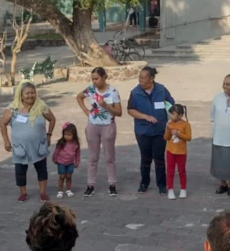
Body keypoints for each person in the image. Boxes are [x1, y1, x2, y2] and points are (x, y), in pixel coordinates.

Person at [0, 81, 57, 203]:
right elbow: (2, 123)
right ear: (21, 95)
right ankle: (23, 192)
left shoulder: (41, 106)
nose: (30, 96)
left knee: (41, 169)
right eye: (27, 93)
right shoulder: (13, 108)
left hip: (39, 145)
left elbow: (52, 119)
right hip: (20, 147)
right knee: (20, 170)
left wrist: (49, 135)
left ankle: (42, 192)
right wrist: (6, 140)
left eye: (33, 93)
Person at [127, 66, 175, 195]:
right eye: (140, 77)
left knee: (159, 157)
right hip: (143, 131)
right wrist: (145, 117)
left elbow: (171, 105)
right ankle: (144, 183)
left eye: (144, 78)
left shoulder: (161, 90)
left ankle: (162, 185)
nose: (141, 80)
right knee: (146, 158)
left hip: (160, 131)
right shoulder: (135, 92)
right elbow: (130, 110)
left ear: (152, 78)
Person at [76, 67, 122, 197]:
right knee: (93, 157)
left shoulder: (113, 91)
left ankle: (112, 184)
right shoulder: (90, 89)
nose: (94, 81)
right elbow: (79, 97)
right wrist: (86, 110)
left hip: (108, 125)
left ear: (104, 77)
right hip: (92, 126)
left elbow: (119, 112)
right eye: (92, 79)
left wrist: (106, 106)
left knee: (109, 157)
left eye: (97, 78)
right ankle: (90, 184)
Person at [164, 103, 192, 200]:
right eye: (170, 114)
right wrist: (168, 129)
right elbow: (166, 138)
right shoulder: (169, 123)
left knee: (181, 171)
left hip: (181, 152)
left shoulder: (186, 125)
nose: (171, 116)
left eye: (173, 114)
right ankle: (170, 189)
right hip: (170, 151)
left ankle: (183, 189)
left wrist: (178, 134)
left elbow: (188, 137)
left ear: (180, 115)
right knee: (170, 171)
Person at [52, 123, 81, 199]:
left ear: (73, 135)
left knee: (68, 176)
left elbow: (78, 153)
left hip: (70, 163)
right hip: (61, 162)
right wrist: (54, 159)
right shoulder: (61, 142)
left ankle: (68, 190)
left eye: (69, 135)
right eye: (65, 134)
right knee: (62, 176)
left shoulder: (76, 143)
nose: (66, 137)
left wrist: (77, 162)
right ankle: (60, 191)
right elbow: (56, 151)